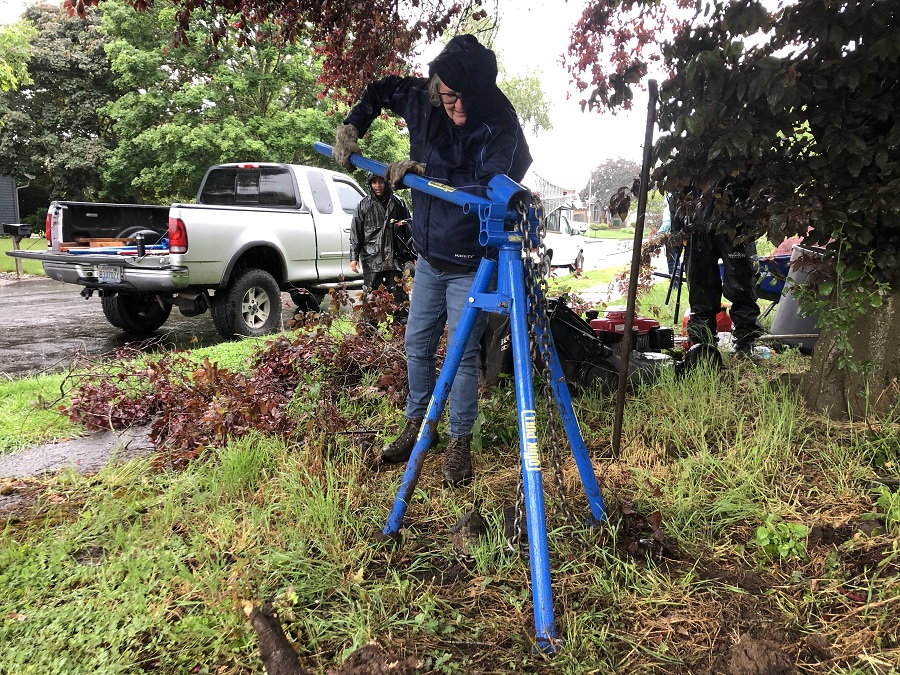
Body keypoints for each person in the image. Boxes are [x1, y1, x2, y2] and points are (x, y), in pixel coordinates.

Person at [332, 34, 532, 486]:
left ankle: (460, 441)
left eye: (469, 101)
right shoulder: (422, 98)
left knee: (461, 357)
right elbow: (380, 89)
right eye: (451, 98)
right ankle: (418, 424)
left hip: (472, 260)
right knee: (416, 344)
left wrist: (427, 172)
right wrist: (353, 126)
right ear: (437, 85)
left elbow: (493, 185)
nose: (459, 110)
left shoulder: (498, 118)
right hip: (428, 256)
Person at [683, 174, 764, 356]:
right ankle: (702, 347)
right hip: (698, 224)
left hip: (736, 221)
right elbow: (680, 183)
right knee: (701, 289)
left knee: (741, 283)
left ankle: (745, 343)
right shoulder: (692, 150)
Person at [349, 172, 412, 323]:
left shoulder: (398, 203)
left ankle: (401, 329)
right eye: (374, 182)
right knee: (370, 297)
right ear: (370, 184)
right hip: (372, 258)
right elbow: (356, 232)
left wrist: (412, 254)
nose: (377, 186)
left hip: (395, 258)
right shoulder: (363, 205)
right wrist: (353, 257)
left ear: (387, 183)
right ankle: (369, 331)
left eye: (381, 182)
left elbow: (409, 228)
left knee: (399, 296)